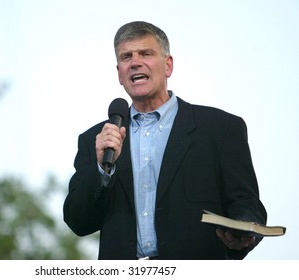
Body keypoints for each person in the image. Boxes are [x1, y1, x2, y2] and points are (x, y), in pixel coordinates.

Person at [63, 21, 267, 260]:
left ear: (168, 65)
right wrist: (101, 169)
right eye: (126, 56)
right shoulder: (96, 140)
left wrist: (242, 231)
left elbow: (245, 202)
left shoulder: (220, 128)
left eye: (146, 53)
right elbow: (78, 221)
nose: (135, 62)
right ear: (119, 73)